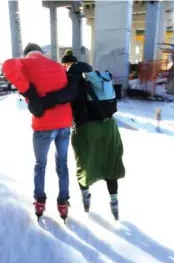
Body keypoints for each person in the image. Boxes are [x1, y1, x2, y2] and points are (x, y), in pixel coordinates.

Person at [44, 49, 125, 220]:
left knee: (84, 164)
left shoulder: (71, 79)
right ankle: (114, 202)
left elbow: (63, 100)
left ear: (66, 64)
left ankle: (86, 199)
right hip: (109, 127)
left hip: (86, 129)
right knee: (110, 163)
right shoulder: (92, 76)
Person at [2, 43, 73, 221]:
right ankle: (63, 203)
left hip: (43, 126)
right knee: (63, 165)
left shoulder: (25, 64)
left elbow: (8, 65)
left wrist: (30, 93)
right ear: (42, 53)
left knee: (40, 165)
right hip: (64, 124)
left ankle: (40, 201)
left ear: (27, 54)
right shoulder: (57, 66)